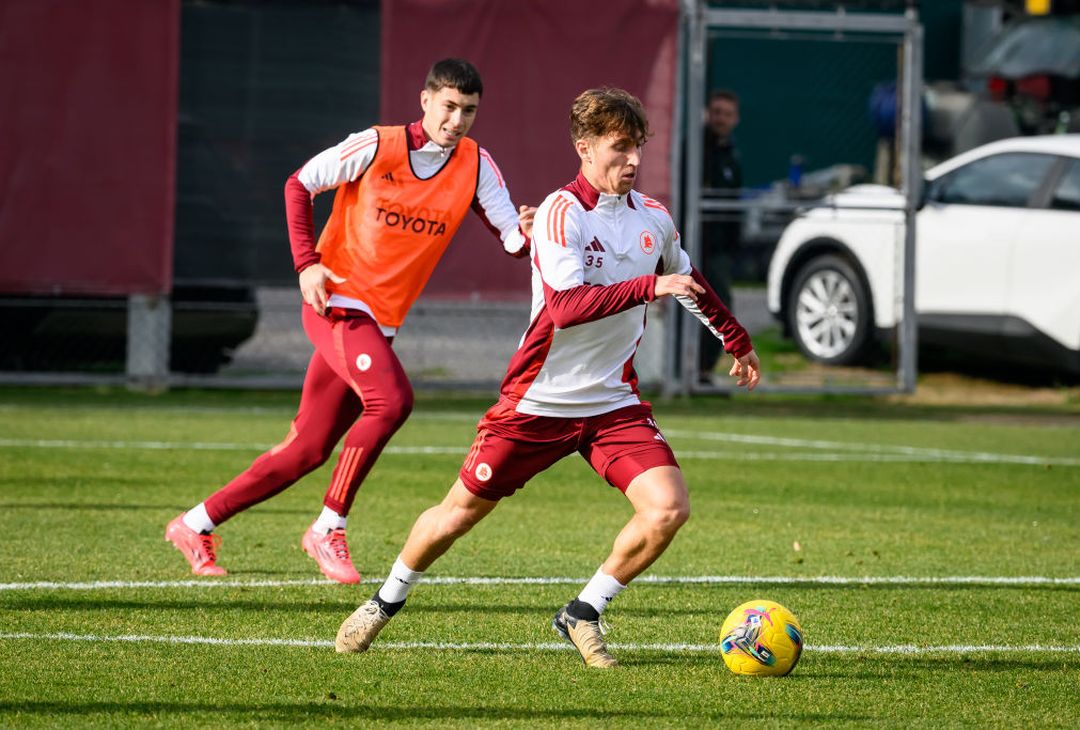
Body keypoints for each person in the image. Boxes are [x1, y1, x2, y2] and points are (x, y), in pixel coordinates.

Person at [335, 87, 760, 667]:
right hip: (538, 401)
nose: (632, 160)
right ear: (584, 148)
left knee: (667, 508)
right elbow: (565, 308)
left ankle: (583, 612)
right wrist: (649, 286)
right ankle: (384, 602)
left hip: (612, 402)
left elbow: (690, 281)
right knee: (458, 514)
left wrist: (735, 340)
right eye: (619, 147)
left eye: (638, 147)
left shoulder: (654, 219)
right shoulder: (562, 212)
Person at [165, 58, 535, 583]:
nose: (457, 119)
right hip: (337, 302)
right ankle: (327, 527)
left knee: (307, 449)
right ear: (425, 99)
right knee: (392, 403)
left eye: (469, 110)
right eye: (449, 106)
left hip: (378, 323)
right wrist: (306, 265)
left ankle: (193, 523)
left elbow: (514, 240)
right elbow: (299, 184)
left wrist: (529, 229)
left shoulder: (476, 164)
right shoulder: (377, 144)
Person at [699, 89, 743, 383]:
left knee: (719, 307)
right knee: (691, 306)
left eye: (727, 114)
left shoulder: (731, 153)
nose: (721, 119)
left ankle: (702, 372)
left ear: (735, 119)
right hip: (694, 246)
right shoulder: (698, 149)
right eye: (716, 113)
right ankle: (687, 371)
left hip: (719, 250)